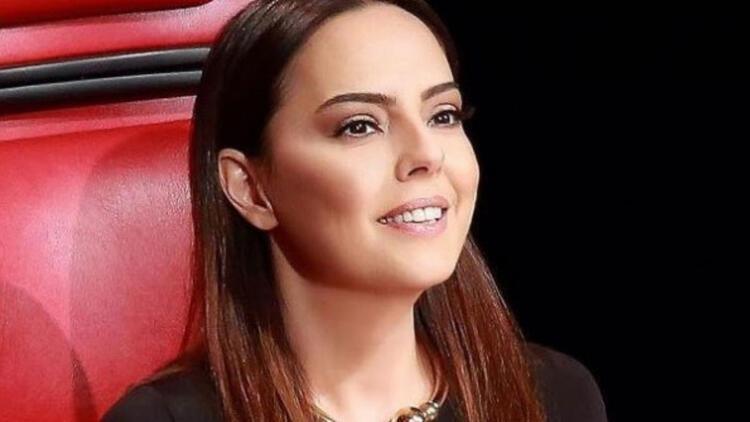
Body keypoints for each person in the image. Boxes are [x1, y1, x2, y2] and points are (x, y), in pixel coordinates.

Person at [102, 1, 608, 421]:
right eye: (360, 126)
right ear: (251, 188)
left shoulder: (554, 394)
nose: (427, 155)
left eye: (443, 115)